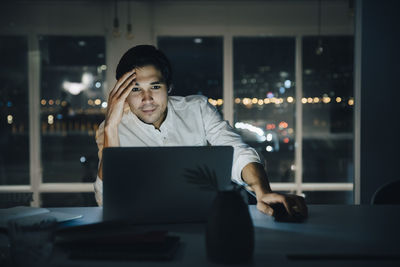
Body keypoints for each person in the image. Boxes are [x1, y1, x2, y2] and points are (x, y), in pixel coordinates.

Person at [93, 45, 307, 219]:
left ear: (169, 87)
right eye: (135, 89)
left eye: (155, 87)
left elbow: (237, 152)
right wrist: (111, 126)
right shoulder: (111, 128)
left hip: (206, 220)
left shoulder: (197, 109)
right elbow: (105, 199)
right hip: (140, 225)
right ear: (121, 93)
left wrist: (263, 191)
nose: (146, 98)